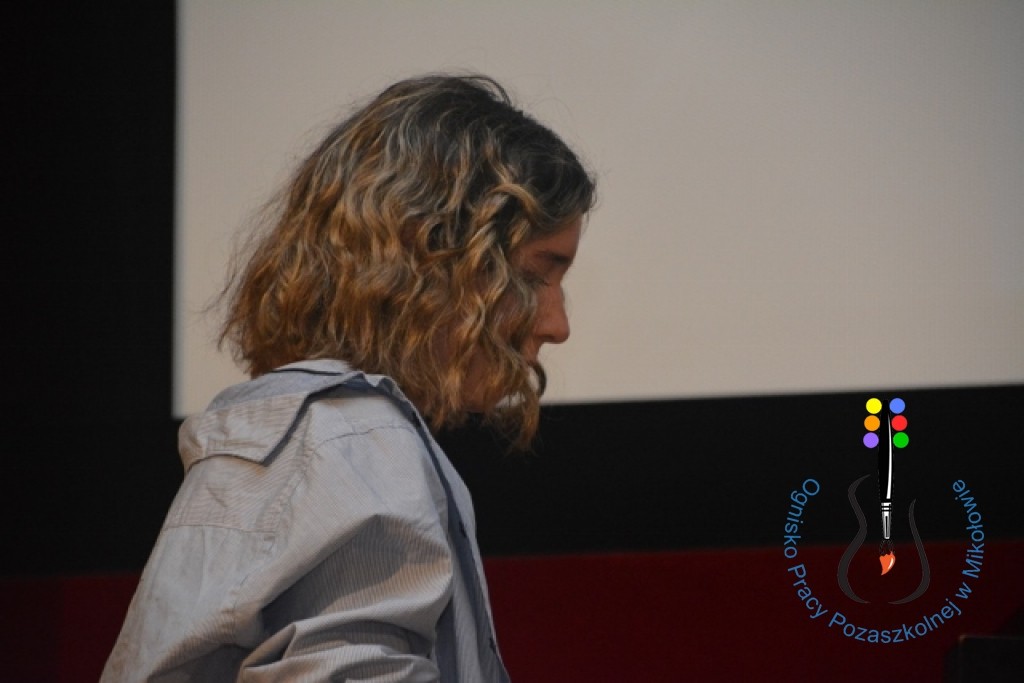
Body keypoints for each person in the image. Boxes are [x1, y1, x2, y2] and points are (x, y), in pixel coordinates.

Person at [101, 73, 596, 681]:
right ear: (432, 257)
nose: (557, 324)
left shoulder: (303, 436)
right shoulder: (356, 443)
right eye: (537, 274)